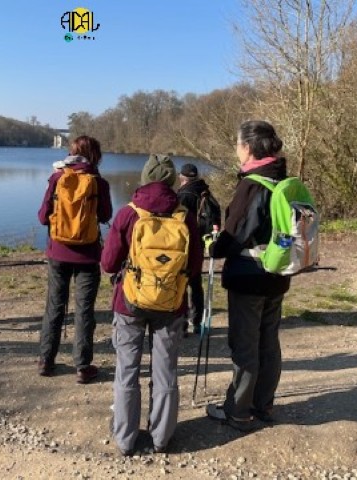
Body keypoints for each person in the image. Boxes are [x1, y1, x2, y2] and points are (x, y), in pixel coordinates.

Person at [101, 155, 203, 455]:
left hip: (129, 303)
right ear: (172, 181)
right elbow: (194, 267)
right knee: (165, 370)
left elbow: (108, 264)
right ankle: (162, 437)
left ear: (144, 178)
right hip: (171, 304)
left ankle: (125, 438)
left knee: (127, 369)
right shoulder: (185, 216)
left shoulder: (128, 214)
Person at [204, 120, 290, 432]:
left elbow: (235, 234)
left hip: (249, 276)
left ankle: (238, 411)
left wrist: (213, 246)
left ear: (248, 147)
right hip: (277, 274)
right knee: (269, 342)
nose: (236, 150)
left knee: (245, 345)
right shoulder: (282, 179)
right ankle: (263, 405)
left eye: (238, 144)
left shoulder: (252, 185)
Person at [37, 135, 112, 383]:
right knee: (84, 310)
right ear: (95, 156)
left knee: (54, 306)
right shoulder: (98, 182)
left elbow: (42, 217)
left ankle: (46, 360)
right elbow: (106, 215)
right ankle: (82, 366)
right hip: (88, 256)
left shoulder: (57, 178)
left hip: (58, 253)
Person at [176, 163, 221, 336]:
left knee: (181, 283)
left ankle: (181, 324)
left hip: (184, 244)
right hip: (200, 243)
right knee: (196, 283)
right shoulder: (205, 191)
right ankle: (197, 322)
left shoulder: (183, 195)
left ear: (182, 177)